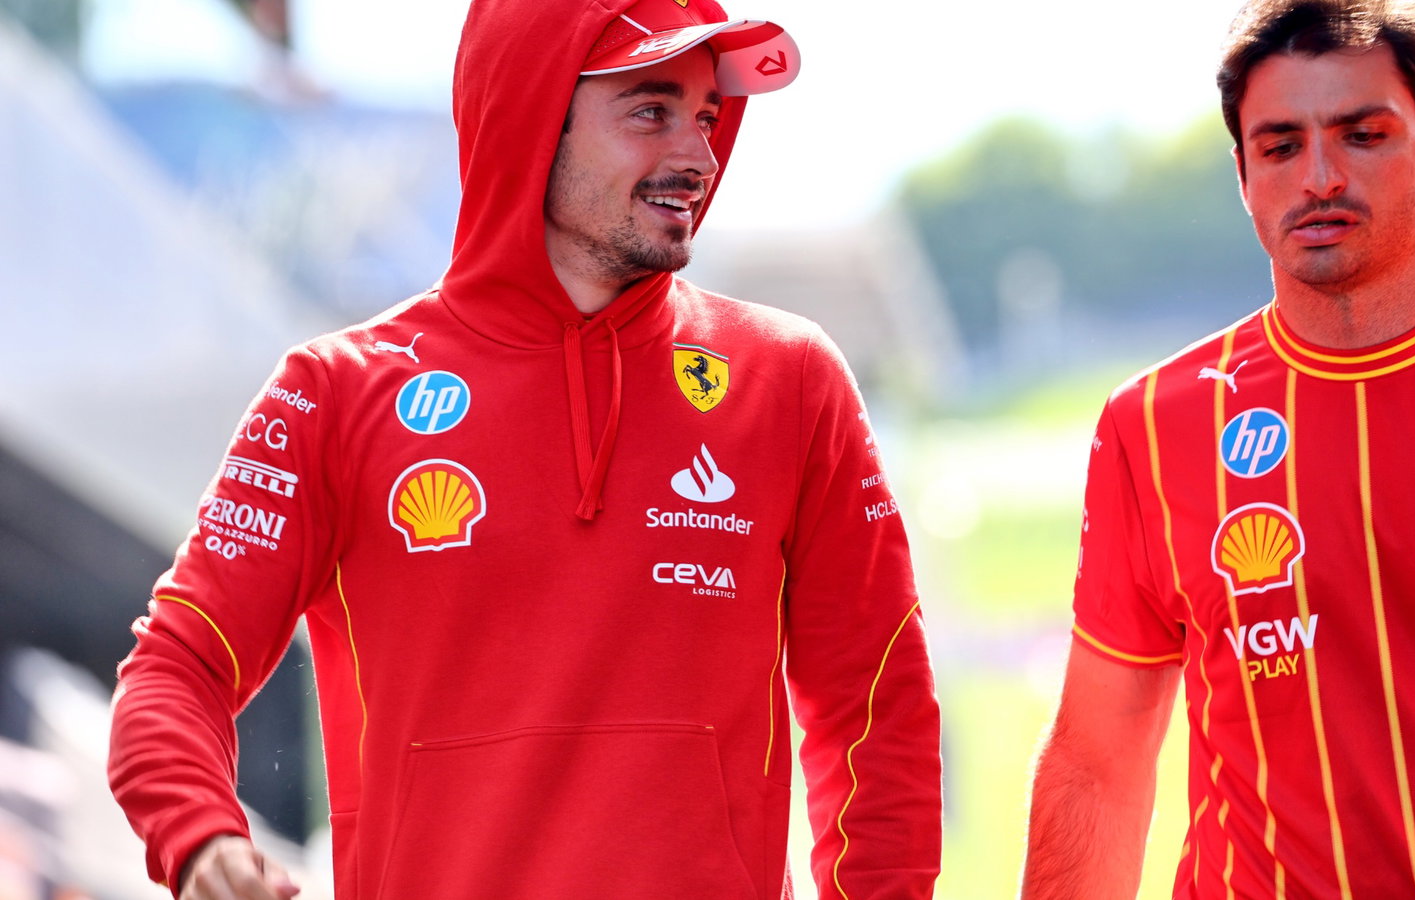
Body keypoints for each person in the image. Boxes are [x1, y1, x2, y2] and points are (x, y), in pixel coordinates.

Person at [106, 0, 942, 897]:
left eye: (706, 115)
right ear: (532, 111)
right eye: (650, 111)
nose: (698, 156)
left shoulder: (790, 379)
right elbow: (174, 671)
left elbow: (876, 713)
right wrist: (199, 838)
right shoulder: (333, 394)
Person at [1022, 0, 1415, 897]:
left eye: (1362, 135)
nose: (1319, 176)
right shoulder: (1154, 421)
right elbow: (1098, 761)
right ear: (1244, 174)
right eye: (1281, 145)